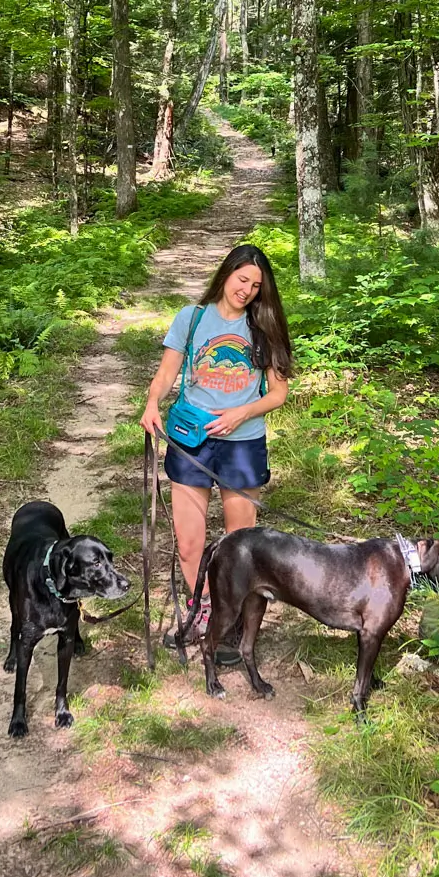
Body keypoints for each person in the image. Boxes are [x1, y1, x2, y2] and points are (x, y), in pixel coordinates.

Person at [140, 243, 292, 652]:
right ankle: (201, 611)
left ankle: (233, 622)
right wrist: (152, 404)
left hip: (242, 446)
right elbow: (167, 372)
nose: (247, 290)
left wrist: (241, 413)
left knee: (239, 545)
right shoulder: (191, 320)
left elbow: (278, 393)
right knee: (189, 543)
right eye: (242, 279)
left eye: (256, 285)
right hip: (191, 441)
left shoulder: (265, 326)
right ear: (226, 274)